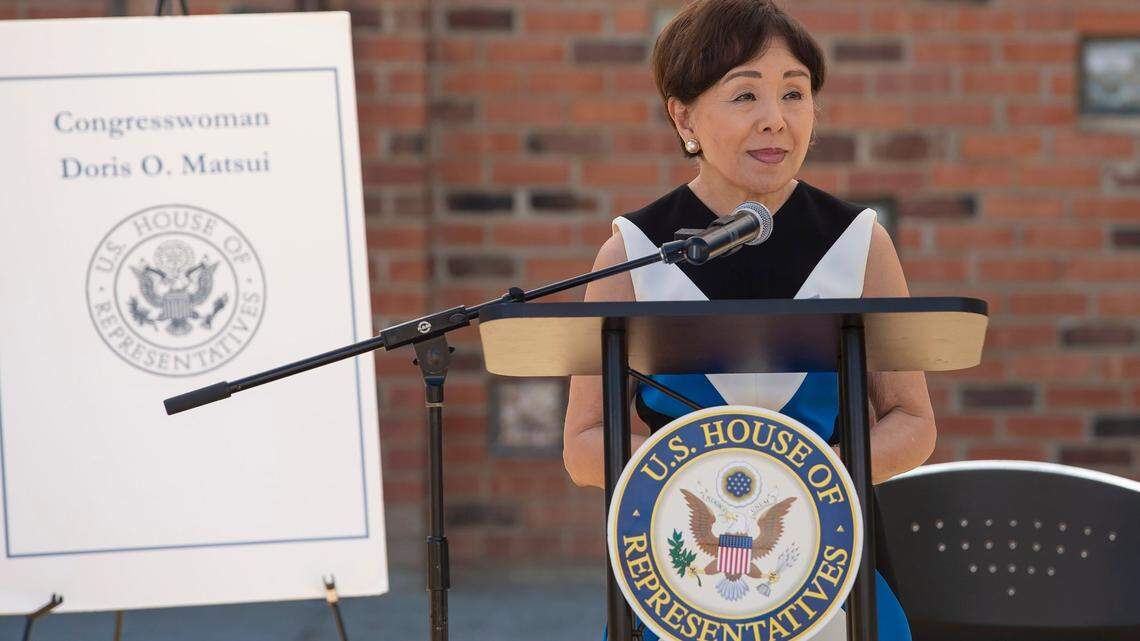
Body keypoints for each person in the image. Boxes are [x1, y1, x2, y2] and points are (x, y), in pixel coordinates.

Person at [562, 1, 936, 639]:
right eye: (744, 96)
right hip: (678, 579)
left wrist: (803, 475)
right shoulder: (632, 253)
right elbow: (583, 445)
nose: (776, 120)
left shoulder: (860, 244)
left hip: (835, 571)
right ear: (684, 116)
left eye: (795, 93)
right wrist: (691, 470)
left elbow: (914, 422)